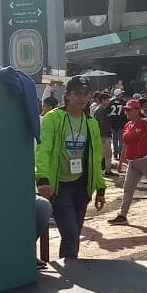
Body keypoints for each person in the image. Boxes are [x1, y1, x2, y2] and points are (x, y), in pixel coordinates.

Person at [35, 76, 107, 262]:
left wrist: (100, 188)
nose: (82, 99)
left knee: (73, 233)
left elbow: (96, 157)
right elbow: (43, 150)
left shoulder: (91, 123)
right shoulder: (53, 118)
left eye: (85, 94)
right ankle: (71, 270)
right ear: (67, 95)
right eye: (77, 94)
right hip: (59, 186)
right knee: (71, 233)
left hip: (81, 186)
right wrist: (42, 179)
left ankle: (68, 268)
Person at [92, 93, 117, 177]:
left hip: (105, 135)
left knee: (108, 154)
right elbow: (100, 124)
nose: (108, 101)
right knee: (105, 154)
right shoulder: (100, 110)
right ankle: (104, 171)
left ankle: (107, 170)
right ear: (102, 100)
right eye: (107, 99)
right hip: (103, 136)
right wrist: (102, 136)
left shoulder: (102, 109)